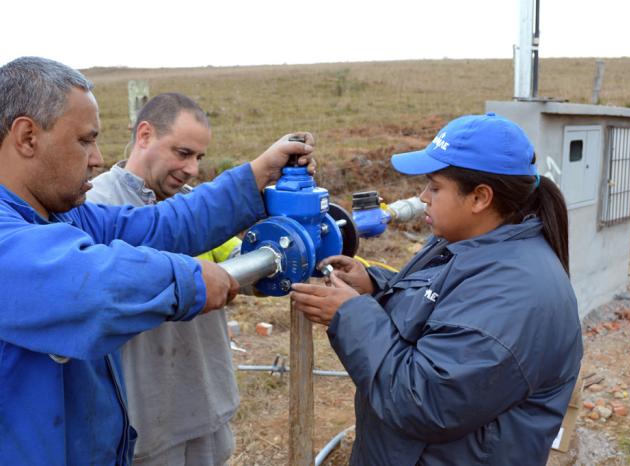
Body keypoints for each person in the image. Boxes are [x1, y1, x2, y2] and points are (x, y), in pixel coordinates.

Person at [0, 56, 314, 466]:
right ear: (27, 137)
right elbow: (92, 285)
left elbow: (159, 225)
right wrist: (192, 279)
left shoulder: (61, 214)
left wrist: (255, 175)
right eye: (84, 140)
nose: (96, 158)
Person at [291, 113, 583, 465]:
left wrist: (350, 315)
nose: (422, 196)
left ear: (479, 198)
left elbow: (422, 399)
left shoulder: (517, 295)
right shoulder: (469, 243)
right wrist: (374, 287)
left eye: (435, 186)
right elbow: (441, 307)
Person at [87, 92, 242, 466]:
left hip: (206, 401)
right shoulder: (95, 205)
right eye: (183, 153)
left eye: (199, 158)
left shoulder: (194, 206)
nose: (192, 169)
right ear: (144, 135)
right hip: (146, 422)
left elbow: (237, 260)